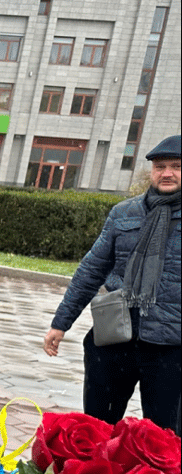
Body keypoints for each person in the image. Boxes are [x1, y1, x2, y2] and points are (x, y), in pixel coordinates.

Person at [43, 135, 180, 434]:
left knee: (165, 440)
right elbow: (91, 270)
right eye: (160, 167)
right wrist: (60, 322)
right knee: (96, 430)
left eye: (176, 166)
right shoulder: (124, 214)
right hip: (115, 338)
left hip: (171, 349)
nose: (166, 173)